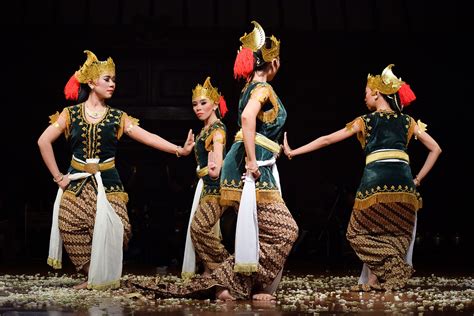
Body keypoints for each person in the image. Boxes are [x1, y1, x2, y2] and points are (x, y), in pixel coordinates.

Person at [131, 21, 298, 301]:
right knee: (286, 231)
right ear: (271, 62)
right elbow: (246, 119)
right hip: (251, 168)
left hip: (246, 165)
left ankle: (242, 285)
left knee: (269, 232)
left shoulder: (250, 86)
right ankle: (230, 282)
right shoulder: (262, 89)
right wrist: (254, 162)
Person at [37, 50, 195, 290]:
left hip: (108, 181)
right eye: (107, 79)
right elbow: (43, 141)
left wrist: (179, 150)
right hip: (77, 181)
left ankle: (101, 276)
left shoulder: (117, 117)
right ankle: (93, 276)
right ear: (91, 82)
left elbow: (148, 137)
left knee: (119, 229)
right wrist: (58, 177)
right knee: (69, 223)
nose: (113, 84)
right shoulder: (70, 114)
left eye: (114, 79)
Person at [283, 64, 442, 291]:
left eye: (366, 93)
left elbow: (327, 139)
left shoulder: (365, 121)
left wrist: (293, 152)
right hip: (406, 190)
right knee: (395, 233)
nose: (364, 97)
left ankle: (395, 269)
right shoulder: (409, 122)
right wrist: (417, 180)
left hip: (374, 188)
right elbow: (436, 148)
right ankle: (377, 279)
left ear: (377, 93)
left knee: (356, 233)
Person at [181, 77, 229, 279]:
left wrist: (215, 167)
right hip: (206, 186)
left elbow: (217, 159)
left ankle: (227, 267)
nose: (198, 108)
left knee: (199, 228)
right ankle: (209, 270)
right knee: (205, 230)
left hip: (215, 187)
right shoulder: (204, 130)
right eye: (195, 104)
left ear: (216, 104)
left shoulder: (217, 129)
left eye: (203, 103)